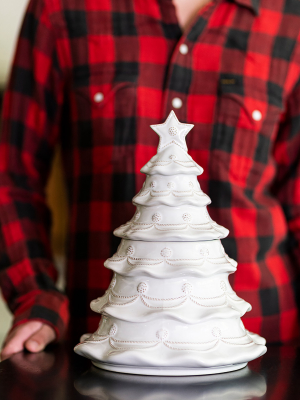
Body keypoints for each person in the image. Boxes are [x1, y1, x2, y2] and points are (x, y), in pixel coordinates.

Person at [1, 0, 300, 360]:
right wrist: (35, 296)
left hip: (268, 350)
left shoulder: (291, 18)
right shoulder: (60, 8)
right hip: (107, 350)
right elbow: (11, 173)